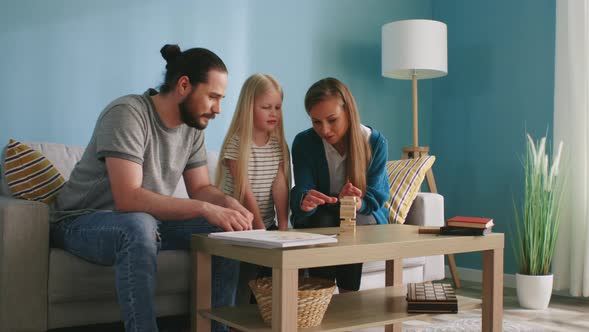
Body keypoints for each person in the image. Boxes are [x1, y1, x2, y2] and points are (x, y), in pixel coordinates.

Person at [50, 44, 253, 332]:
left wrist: (226, 204)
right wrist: (206, 208)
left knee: (223, 228)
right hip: (80, 221)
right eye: (213, 97)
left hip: (144, 222)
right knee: (139, 224)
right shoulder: (128, 113)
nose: (218, 109)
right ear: (184, 85)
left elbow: (201, 188)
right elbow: (128, 198)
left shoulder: (193, 128)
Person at [290, 77, 389, 293]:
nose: (324, 130)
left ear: (348, 112)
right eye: (316, 122)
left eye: (332, 120)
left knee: (351, 222)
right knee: (323, 220)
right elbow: (301, 189)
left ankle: (348, 295)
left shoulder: (375, 142)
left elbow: (378, 195)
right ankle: (320, 295)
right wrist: (305, 200)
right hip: (321, 213)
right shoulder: (304, 143)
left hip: (360, 213)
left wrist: (355, 202)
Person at [215, 73, 290, 304]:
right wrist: (260, 233)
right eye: (266, 107)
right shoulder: (236, 143)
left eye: (277, 107)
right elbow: (244, 191)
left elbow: (280, 187)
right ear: (249, 108)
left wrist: (284, 229)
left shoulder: (278, 145)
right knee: (240, 274)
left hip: (265, 225)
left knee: (291, 266)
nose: (273, 113)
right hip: (239, 225)